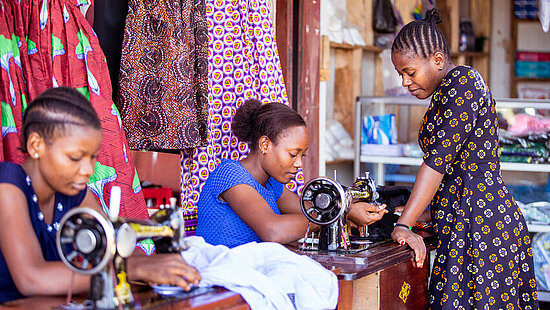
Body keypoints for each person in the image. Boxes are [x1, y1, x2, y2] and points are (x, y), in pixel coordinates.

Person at [389, 8, 539, 309]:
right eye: (400, 74)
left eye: (410, 72)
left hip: (483, 226)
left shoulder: (464, 84)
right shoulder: (446, 92)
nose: (405, 82)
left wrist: (403, 225)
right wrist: (427, 212)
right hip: (464, 219)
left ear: (438, 60)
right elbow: (456, 170)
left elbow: (437, 163)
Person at [0, 87, 200, 303]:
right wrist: (134, 268)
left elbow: (112, 245)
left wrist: (158, 265)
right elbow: (32, 278)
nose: (88, 170)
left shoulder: (73, 193)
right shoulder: (7, 184)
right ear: (36, 145)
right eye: (76, 158)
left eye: (92, 158)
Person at [196, 99, 387, 248]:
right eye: (293, 154)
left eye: (302, 156)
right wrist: (337, 215)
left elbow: (310, 210)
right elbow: (273, 231)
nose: (298, 164)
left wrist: (350, 210)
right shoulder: (230, 176)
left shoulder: (271, 184)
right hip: (220, 282)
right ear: (265, 145)